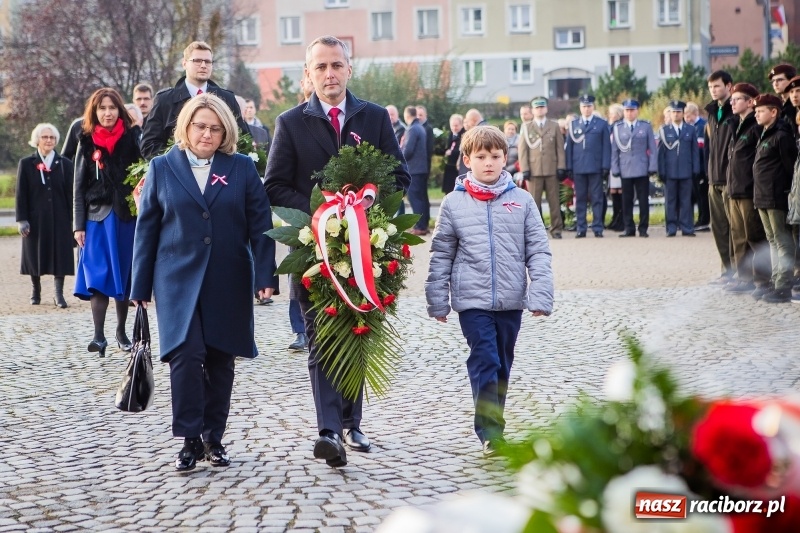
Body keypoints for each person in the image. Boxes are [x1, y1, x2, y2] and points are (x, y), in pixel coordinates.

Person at [264, 35, 410, 468]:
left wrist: (365, 208)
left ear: (350, 69)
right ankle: (328, 429)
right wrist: (320, 214)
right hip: (314, 252)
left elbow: (398, 177)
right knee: (321, 339)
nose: (330, 74)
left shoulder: (375, 117)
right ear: (307, 75)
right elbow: (274, 185)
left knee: (359, 332)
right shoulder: (290, 123)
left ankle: (352, 421)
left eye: (337, 65)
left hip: (368, 249)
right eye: (321, 67)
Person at [130, 93, 277, 471]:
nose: (207, 134)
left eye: (215, 128)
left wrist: (266, 275)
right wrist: (139, 287)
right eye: (200, 126)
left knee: (220, 358)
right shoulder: (162, 168)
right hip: (175, 279)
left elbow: (261, 227)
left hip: (228, 276)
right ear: (186, 127)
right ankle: (189, 439)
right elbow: (146, 229)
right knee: (186, 354)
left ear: (225, 130)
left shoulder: (241, 167)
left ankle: (214, 438)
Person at [424, 125, 554, 457]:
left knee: (502, 365)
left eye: (495, 156)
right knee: (485, 358)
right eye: (481, 157)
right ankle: (490, 432)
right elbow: (441, 253)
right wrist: (437, 299)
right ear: (467, 160)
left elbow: (537, 250)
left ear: (505, 158)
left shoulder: (522, 200)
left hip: (511, 300)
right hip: (472, 300)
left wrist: (539, 294)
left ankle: (494, 421)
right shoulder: (454, 204)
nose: (489, 163)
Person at [73, 88, 142, 357]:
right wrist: (78, 225)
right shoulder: (86, 141)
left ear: (119, 110)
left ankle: (121, 332)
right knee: (98, 275)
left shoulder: (132, 137)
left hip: (126, 218)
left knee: (122, 275)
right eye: (102, 108)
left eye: (112, 107)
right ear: (95, 112)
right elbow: (78, 188)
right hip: (95, 219)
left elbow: (143, 174)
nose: (107, 113)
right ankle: (98, 336)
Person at [140, 41, 249, 160]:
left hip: (218, 173)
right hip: (176, 173)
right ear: (184, 63)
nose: (203, 65)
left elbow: (243, 139)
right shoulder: (165, 100)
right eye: (197, 61)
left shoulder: (227, 99)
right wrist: (179, 161)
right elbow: (149, 145)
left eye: (207, 61)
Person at [16, 123, 74, 307]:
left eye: (52, 137)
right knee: (35, 254)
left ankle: (59, 294)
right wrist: (22, 219)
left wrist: (74, 221)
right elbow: (21, 193)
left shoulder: (65, 164)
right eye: (45, 137)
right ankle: (36, 290)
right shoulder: (26, 164)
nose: (49, 140)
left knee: (61, 254)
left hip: (60, 218)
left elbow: (71, 194)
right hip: (35, 218)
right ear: (37, 140)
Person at [723, 83, 771, 298]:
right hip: (735, 188)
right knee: (738, 235)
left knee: (754, 235)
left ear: (751, 102)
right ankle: (745, 277)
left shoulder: (755, 127)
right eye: (731, 99)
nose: (732, 103)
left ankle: (762, 279)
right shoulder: (738, 124)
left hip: (749, 190)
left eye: (737, 99)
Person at [752, 93, 799, 303]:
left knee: (782, 241)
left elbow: (789, 169)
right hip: (762, 196)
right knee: (772, 240)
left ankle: (784, 285)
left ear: (773, 112)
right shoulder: (764, 133)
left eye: (761, 111)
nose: (756, 114)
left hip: (776, 196)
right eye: (755, 111)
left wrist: (785, 193)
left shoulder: (781, 135)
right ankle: (775, 280)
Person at [519, 96, 566, 239]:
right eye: (537, 107)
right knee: (534, 204)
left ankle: (556, 229)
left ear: (546, 108)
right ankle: (536, 232)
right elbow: (523, 150)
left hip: (552, 169)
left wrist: (561, 167)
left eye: (542, 107)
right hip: (534, 171)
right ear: (532, 110)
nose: (539, 110)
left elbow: (560, 148)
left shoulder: (554, 125)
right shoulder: (526, 127)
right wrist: (525, 169)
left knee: (554, 202)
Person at [704, 70, 735, 283]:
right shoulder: (712, 113)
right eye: (711, 87)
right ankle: (727, 270)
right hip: (713, 178)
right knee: (718, 228)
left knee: (735, 229)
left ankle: (738, 272)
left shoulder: (735, 111)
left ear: (729, 86)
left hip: (730, 179)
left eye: (717, 86)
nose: (713, 91)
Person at [610, 99, 657, 238]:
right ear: (624, 111)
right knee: (626, 200)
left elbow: (653, 149)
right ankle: (629, 228)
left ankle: (643, 228)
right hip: (625, 169)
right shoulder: (618, 128)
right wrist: (615, 168)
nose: (629, 113)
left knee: (643, 200)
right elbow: (614, 151)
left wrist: (652, 166)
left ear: (637, 111)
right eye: (627, 110)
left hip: (642, 168)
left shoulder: (645, 126)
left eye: (632, 110)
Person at [565, 94, 610, 238]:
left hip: (596, 167)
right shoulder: (573, 125)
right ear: (580, 107)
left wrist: (605, 166)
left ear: (593, 107)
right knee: (581, 199)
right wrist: (569, 167)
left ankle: (597, 227)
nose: (586, 109)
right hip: (578, 167)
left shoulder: (601, 124)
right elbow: (569, 149)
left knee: (597, 198)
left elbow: (606, 147)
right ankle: (581, 227)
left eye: (589, 106)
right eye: (584, 106)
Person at [657, 100, 700, 237]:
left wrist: (696, 169)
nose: (676, 114)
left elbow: (694, 151)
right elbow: (661, 154)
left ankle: (687, 227)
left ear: (683, 113)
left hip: (686, 171)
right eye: (673, 112)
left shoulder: (690, 129)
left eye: (678, 112)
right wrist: (661, 171)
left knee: (686, 201)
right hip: (670, 172)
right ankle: (671, 228)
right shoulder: (664, 130)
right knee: (670, 201)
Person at [403, 106, 431, 235]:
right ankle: (423, 224)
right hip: (421, 168)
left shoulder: (412, 129)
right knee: (421, 198)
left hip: (414, 169)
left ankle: (420, 226)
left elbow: (408, 150)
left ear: (407, 116)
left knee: (415, 198)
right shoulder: (420, 127)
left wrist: (400, 154)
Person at [685, 102, 710, 231]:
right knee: (697, 195)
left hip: (701, 167)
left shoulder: (701, 126)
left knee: (702, 195)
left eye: (688, 115)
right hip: (694, 167)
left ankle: (704, 220)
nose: (686, 118)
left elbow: (701, 148)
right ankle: (700, 218)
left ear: (695, 114)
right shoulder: (692, 126)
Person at [605, 103, 625, 231]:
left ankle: (621, 219)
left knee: (621, 191)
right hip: (612, 164)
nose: (610, 116)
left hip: (621, 164)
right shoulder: (610, 127)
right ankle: (615, 217)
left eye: (612, 114)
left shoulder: (621, 126)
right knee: (613, 191)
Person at [441, 113, 465, 194]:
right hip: (450, 166)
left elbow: (462, 150)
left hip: (457, 167)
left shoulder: (464, 135)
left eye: (456, 125)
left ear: (461, 125)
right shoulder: (451, 134)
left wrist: (452, 152)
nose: (454, 128)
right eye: (452, 126)